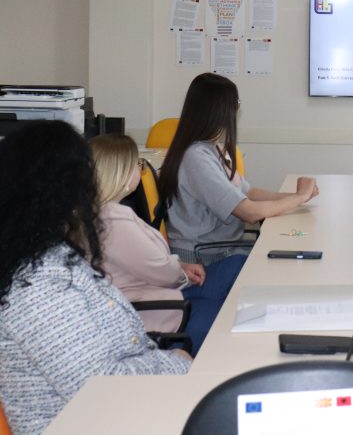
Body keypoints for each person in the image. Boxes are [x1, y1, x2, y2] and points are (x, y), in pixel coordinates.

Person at [0, 121, 191, 435]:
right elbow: (98, 388)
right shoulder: (36, 286)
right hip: (92, 421)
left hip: (114, 413)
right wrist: (176, 363)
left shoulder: (51, 253)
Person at [89, 134, 243, 354]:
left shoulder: (101, 213)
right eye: (138, 165)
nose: (140, 170)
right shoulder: (114, 221)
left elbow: (148, 263)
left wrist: (180, 266)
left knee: (238, 266)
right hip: (156, 308)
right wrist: (181, 272)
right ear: (121, 174)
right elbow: (163, 272)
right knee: (227, 311)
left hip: (159, 290)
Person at [159, 72, 319, 265]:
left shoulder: (212, 148)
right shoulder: (196, 158)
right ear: (220, 110)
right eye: (236, 103)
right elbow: (249, 212)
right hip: (204, 258)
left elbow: (248, 192)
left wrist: (296, 197)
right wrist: (299, 197)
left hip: (222, 249)